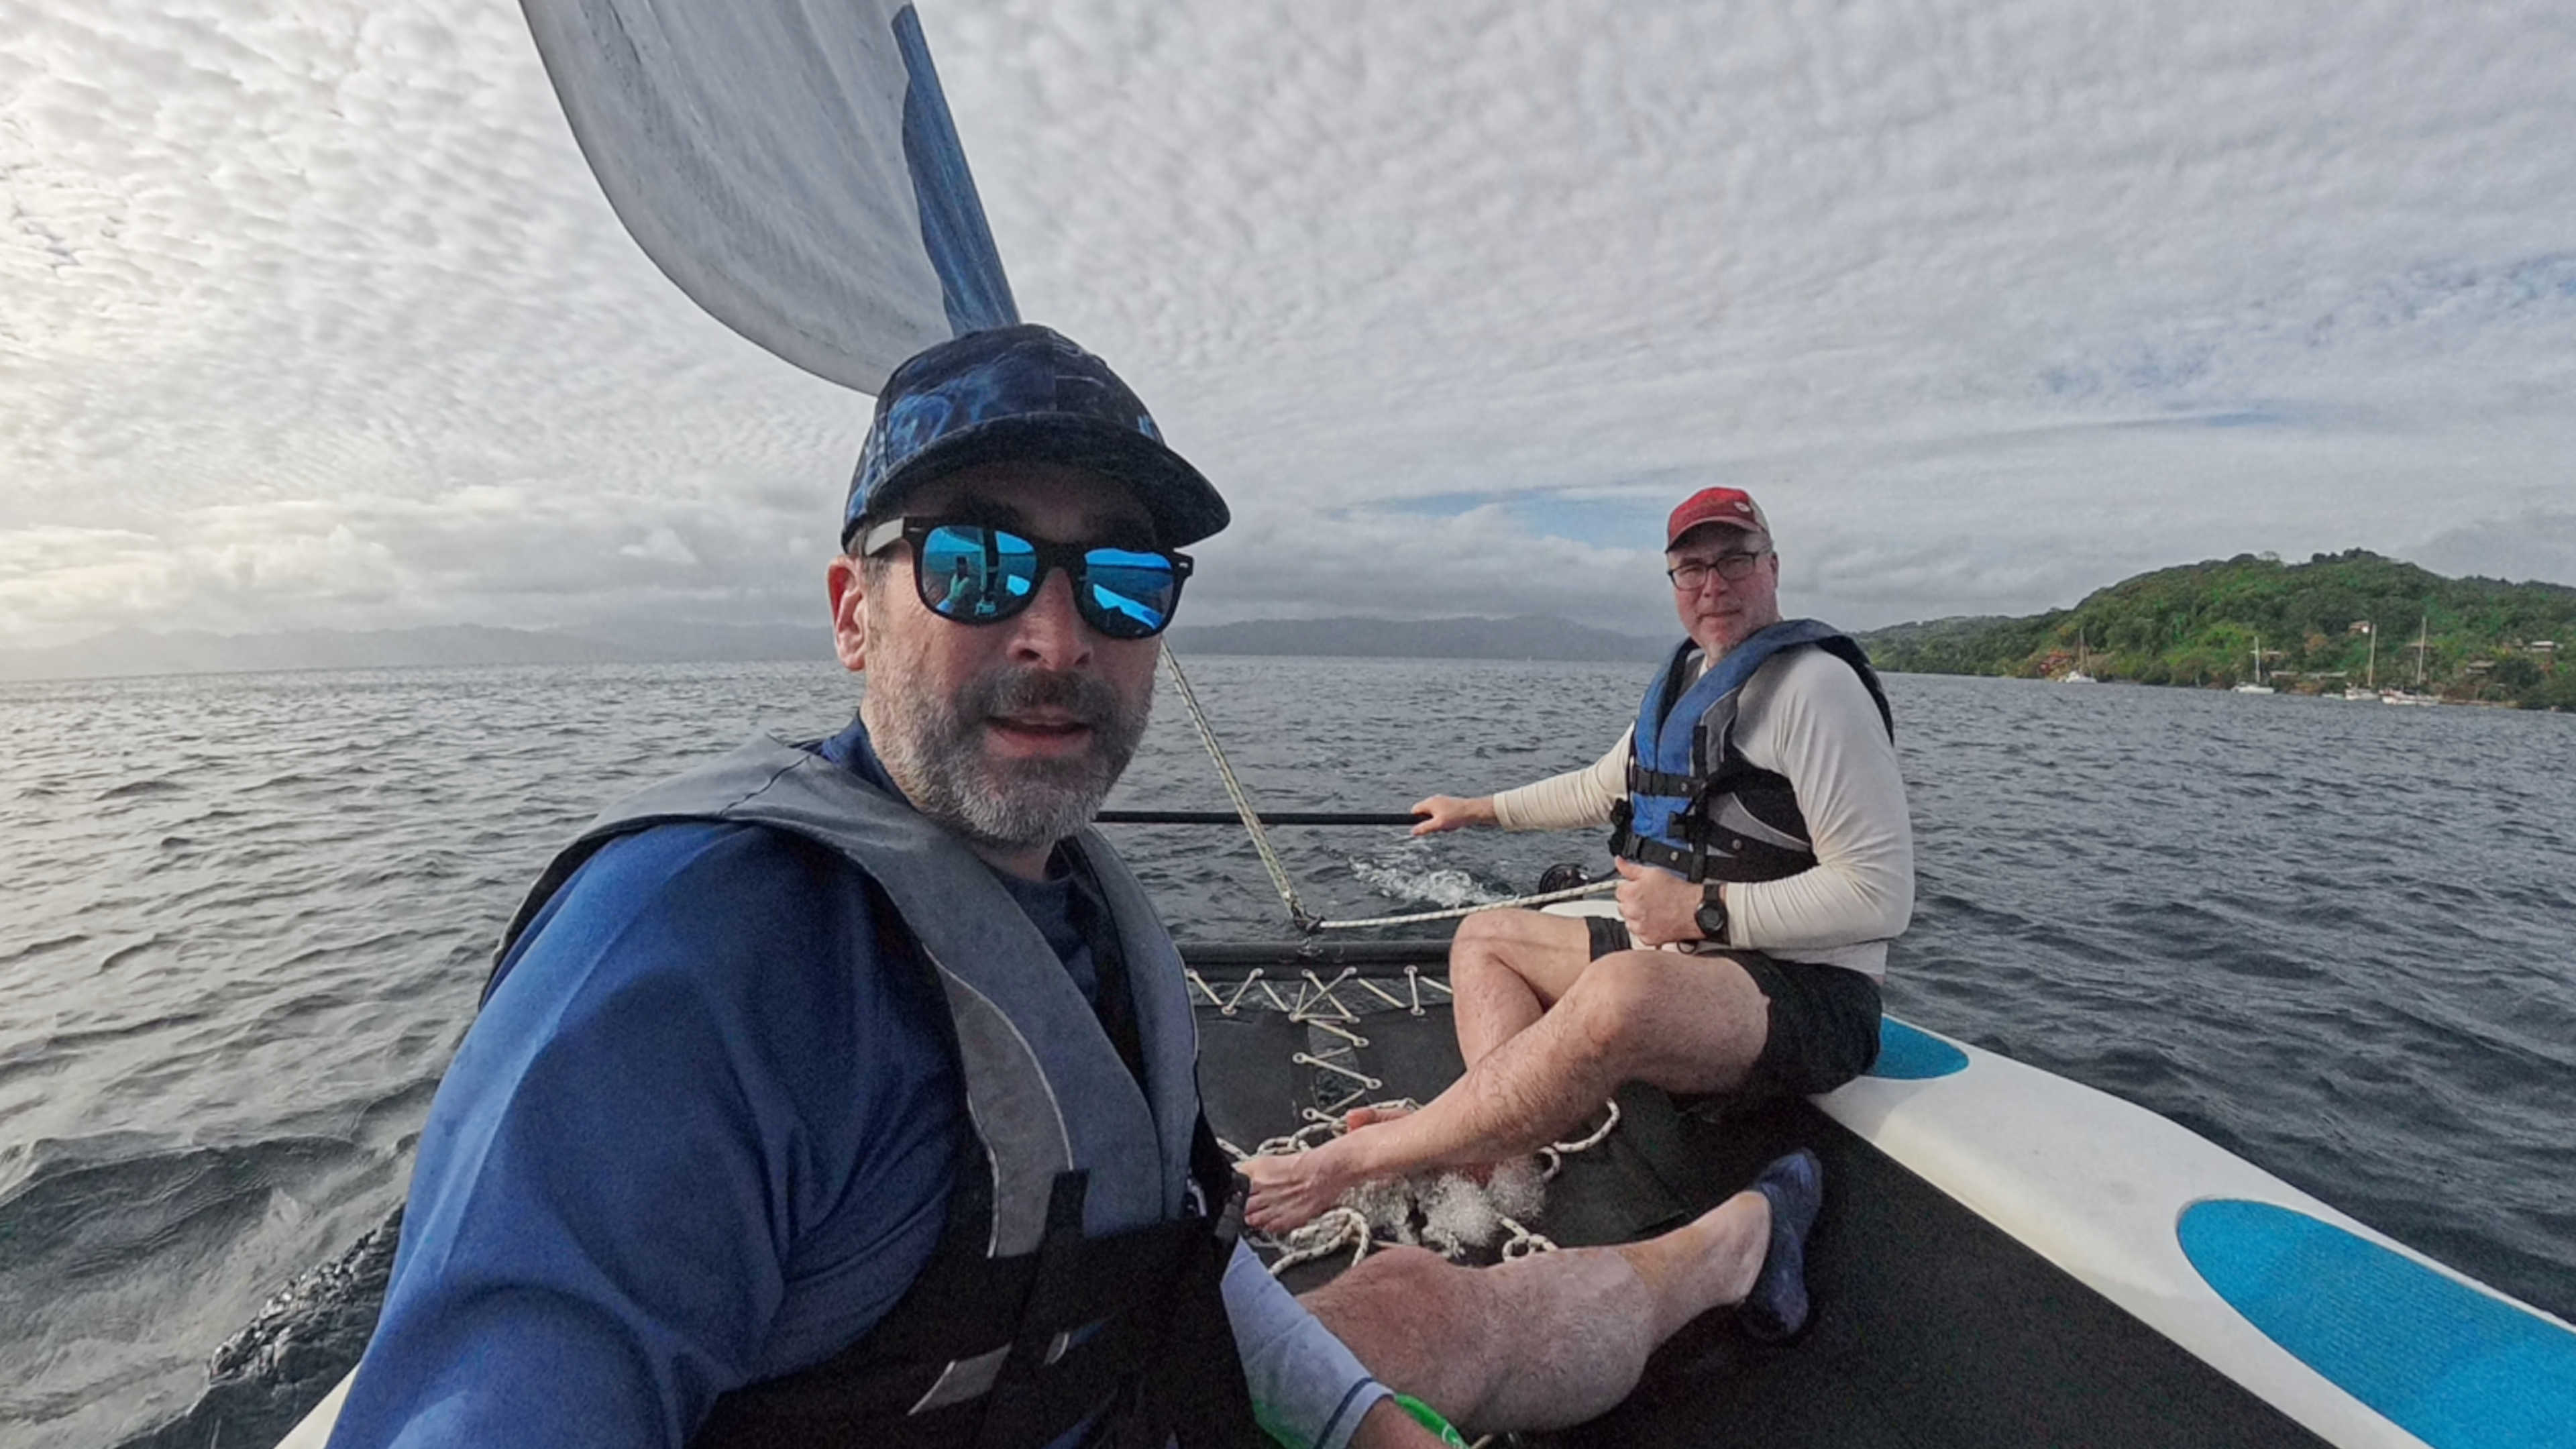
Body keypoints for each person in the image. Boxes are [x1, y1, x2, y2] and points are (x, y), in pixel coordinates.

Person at [323, 327, 1826, 1449]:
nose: (1057, 635)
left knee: (1420, 1318)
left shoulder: (1091, 918)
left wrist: (1360, 1422)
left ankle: (1737, 1250)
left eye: (1118, 582)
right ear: (856, 615)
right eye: (977, 566)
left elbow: (1164, 1260)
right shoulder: (694, 968)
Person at [1239, 488, 1909, 1234]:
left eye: (1736, 561)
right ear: (1674, 585)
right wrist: (1478, 808)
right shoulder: (1693, 682)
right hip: (1688, 956)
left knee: (1623, 991)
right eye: (1692, 568)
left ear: (1773, 567)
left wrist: (1703, 909)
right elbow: (1599, 786)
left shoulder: (1817, 689)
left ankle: (1362, 1160)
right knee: (1486, 938)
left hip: (1807, 994)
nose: (1713, 585)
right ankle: (1500, 1151)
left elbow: (1880, 894)